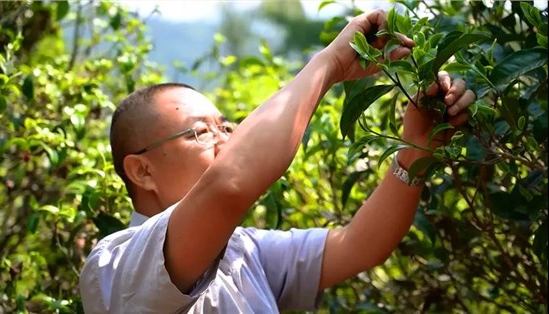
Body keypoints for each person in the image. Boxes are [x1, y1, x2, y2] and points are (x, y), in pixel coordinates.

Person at [79, 9, 475, 313]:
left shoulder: (244, 250)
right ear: (142, 170)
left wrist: (416, 148)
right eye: (201, 131)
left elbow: (358, 245)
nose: (225, 140)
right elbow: (229, 185)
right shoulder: (115, 264)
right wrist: (330, 64)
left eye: (226, 126)